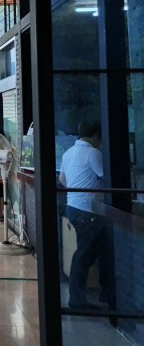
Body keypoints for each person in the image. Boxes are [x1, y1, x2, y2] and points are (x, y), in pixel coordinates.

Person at [59, 120, 113, 310]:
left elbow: (62, 179)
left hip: (73, 207)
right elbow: (107, 178)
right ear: (97, 135)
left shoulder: (68, 153)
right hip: (88, 210)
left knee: (97, 250)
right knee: (85, 254)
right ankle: (77, 299)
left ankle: (105, 292)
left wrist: (77, 192)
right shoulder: (93, 153)